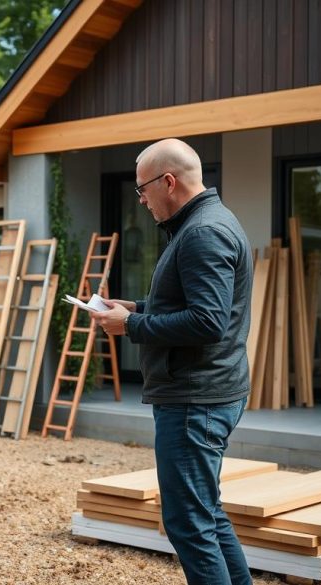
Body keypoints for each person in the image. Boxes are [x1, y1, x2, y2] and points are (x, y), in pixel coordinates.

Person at [92, 139, 254, 585]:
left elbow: (208, 322)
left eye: (143, 189)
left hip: (195, 399)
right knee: (206, 512)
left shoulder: (202, 232)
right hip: (204, 392)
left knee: (188, 524)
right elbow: (193, 303)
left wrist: (132, 327)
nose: (140, 199)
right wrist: (138, 309)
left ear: (168, 181)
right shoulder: (206, 223)